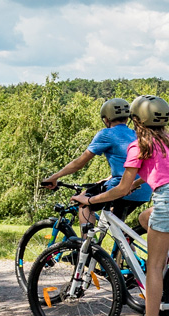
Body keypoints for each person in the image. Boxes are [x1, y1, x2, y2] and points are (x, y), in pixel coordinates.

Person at [79, 95, 169, 316]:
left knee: (153, 267)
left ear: (135, 119)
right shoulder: (167, 140)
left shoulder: (138, 145)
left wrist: (90, 201)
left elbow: (120, 190)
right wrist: (137, 183)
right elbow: (164, 172)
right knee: (146, 218)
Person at [39, 97, 152, 230]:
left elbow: (79, 163)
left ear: (106, 119)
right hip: (144, 189)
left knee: (83, 201)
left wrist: (54, 177)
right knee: (118, 232)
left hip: (122, 186)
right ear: (127, 118)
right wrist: (109, 178)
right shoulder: (135, 134)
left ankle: (88, 248)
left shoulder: (106, 134)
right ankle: (121, 249)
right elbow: (133, 164)